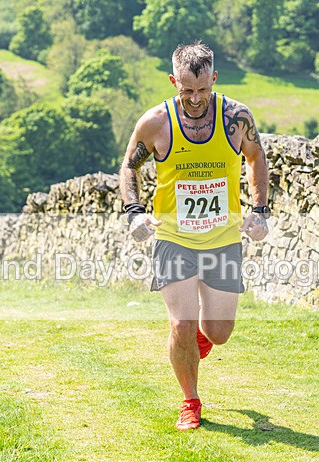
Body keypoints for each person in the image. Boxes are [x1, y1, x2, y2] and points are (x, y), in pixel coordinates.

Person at [119, 41, 270, 431]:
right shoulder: (155, 122)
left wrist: (259, 211)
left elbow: (255, 158)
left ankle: (200, 344)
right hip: (173, 238)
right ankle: (190, 401)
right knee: (181, 325)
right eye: (187, 91)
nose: (196, 99)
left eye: (203, 90)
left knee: (218, 332)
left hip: (222, 238)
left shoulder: (237, 117)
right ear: (174, 82)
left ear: (214, 79)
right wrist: (134, 213)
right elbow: (128, 168)